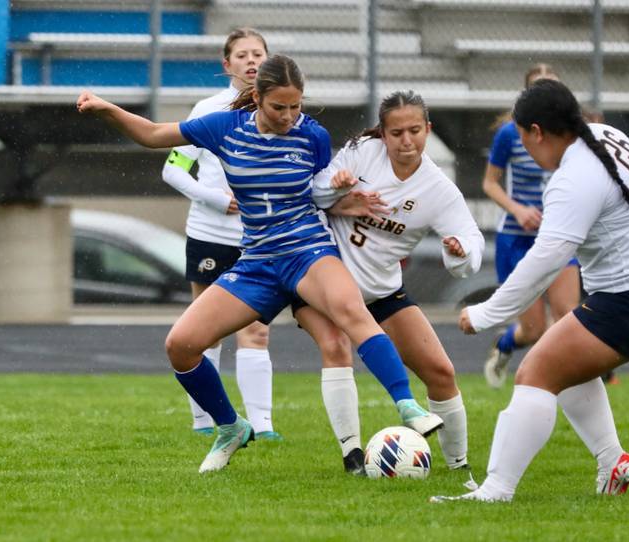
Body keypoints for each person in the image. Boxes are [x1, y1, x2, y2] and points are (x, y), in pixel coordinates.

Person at [76, 54, 443, 474]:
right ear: (257, 98)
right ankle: (230, 427)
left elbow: (321, 192)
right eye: (279, 107)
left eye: (296, 107)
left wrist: (341, 193)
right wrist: (107, 109)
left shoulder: (313, 136)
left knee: (351, 316)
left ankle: (408, 406)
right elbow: (155, 134)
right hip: (257, 261)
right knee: (180, 345)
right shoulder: (223, 128)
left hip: (308, 250)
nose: (290, 117)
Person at [432, 79, 629, 503]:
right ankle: (612, 462)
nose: (523, 148)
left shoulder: (572, 177)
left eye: (522, 138)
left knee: (534, 373)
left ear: (538, 132)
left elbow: (544, 263)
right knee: (565, 360)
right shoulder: (608, 136)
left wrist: (486, 313)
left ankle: (496, 491)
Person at [297, 90, 484, 473]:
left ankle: (459, 468)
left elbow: (471, 240)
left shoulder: (438, 188)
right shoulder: (362, 152)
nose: (406, 140)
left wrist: (460, 250)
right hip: (322, 282)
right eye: (396, 132)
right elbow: (313, 191)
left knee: (441, 371)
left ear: (428, 129)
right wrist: (338, 187)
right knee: (335, 345)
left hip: (380, 290)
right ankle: (352, 456)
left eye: (415, 130)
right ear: (382, 133)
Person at [162, 27, 281, 440]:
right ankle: (204, 420)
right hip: (210, 234)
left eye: (258, 54)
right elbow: (172, 169)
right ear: (226, 64)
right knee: (203, 329)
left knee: (257, 330)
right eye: (242, 55)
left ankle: (263, 426)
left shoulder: (281, 111)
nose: (251, 61)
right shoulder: (207, 109)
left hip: (260, 241)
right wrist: (215, 198)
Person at [480, 63, 580, 389]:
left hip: (558, 236)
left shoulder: (571, 136)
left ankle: (557, 384)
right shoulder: (511, 134)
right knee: (533, 330)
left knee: (569, 317)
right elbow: (490, 184)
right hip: (517, 239)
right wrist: (519, 209)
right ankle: (506, 344)